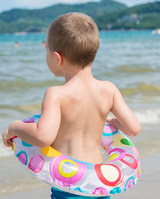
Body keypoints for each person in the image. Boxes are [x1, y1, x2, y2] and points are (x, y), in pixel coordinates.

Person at [2, 12, 141, 199]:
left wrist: (14, 127)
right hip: (99, 187)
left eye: (47, 51)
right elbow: (133, 129)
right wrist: (114, 123)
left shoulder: (56, 94)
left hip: (69, 190)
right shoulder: (109, 90)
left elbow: (43, 136)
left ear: (58, 58)